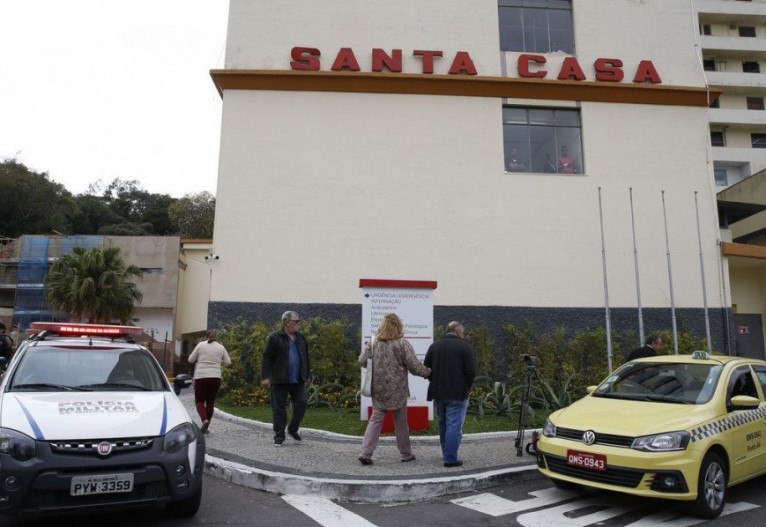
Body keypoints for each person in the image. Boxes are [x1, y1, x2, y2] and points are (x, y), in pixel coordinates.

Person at [358, 313, 430, 465]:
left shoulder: (373, 342)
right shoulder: (402, 343)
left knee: (376, 420)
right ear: (398, 326)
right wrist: (428, 373)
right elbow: (414, 365)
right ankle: (406, 454)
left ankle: (366, 453)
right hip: (398, 389)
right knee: (401, 422)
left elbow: (362, 361)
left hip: (378, 388)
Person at [424, 321, 476, 468]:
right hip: (458, 393)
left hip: (439, 393)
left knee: (443, 424)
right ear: (458, 331)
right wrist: (467, 386)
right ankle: (450, 458)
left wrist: (435, 380)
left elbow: (427, 369)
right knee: (454, 425)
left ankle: (446, 453)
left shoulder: (435, 346)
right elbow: (471, 371)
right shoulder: (466, 346)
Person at [261, 311, 312, 446]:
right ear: (287, 322)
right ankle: (279, 435)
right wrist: (265, 377)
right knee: (279, 408)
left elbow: (306, 358)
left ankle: (293, 429)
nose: (299, 324)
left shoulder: (301, 338)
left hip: (298, 379)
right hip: (280, 379)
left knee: (301, 404)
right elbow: (267, 358)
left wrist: (307, 376)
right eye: (297, 321)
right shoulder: (275, 337)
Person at [188, 329, 232, 433]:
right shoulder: (221, 347)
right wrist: (218, 362)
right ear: (216, 336)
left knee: (199, 401)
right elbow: (228, 362)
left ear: (206, 336)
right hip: (215, 377)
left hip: (201, 377)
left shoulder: (200, 345)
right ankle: (207, 426)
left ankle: (204, 420)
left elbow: (190, 359)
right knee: (210, 402)